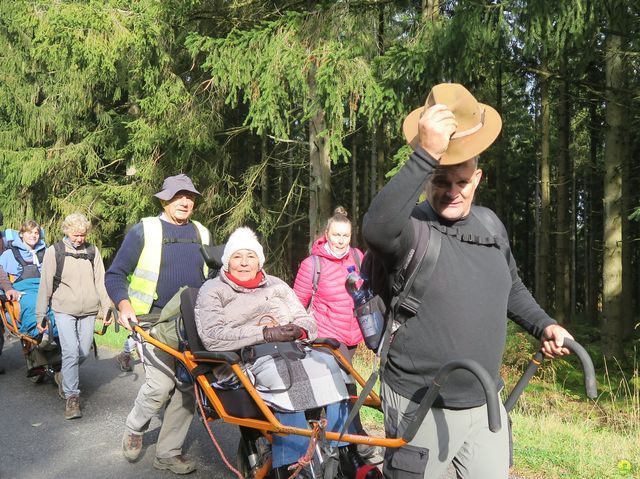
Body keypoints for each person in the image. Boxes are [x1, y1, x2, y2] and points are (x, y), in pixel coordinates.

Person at [362, 83, 574, 479]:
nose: (452, 192)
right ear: (427, 178)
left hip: (485, 404)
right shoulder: (411, 228)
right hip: (418, 404)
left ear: (478, 178)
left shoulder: (491, 225)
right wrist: (425, 153)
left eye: (462, 181)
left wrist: (545, 324)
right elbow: (376, 229)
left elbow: (511, 287)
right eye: (441, 180)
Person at [194, 227, 379, 479]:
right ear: (227, 261)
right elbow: (213, 337)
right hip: (245, 357)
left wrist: (299, 331)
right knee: (286, 377)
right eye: (237, 257)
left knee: (333, 367)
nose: (245, 262)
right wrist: (267, 334)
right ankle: (292, 466)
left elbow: (308, 320)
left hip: (292, 350)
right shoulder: (213, 290)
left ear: (260, 259)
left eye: (251, 256)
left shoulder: (276, 285)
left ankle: (347, 453)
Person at [105, 173, 211, 475]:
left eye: (190, 196)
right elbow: (115, 274)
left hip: (191, 324)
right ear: (164, 199)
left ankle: (167, 453)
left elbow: (212, 277)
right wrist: (123, 305)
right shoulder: (145, 230)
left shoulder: (202, 232)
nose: (185, 201)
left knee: (187, 388)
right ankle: (136, 426)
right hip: (151, 322)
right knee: (160, 385)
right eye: (178, 195)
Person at [35, 213, 112, 420]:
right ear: (67, 231)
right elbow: (45, 286)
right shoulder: (55, 251)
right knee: (70, 351)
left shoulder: (92, 251)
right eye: (76, 235)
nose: (80, 239)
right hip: (64, 309)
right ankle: (72, 398)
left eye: (83, 235)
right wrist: (41, 314)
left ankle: (62, 375)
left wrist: (107, 308)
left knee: (84, 351)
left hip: (88, 310)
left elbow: (100, 282)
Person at [0, 220, 57, 339]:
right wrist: (8, 289)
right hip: (23, 289)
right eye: (29, 232)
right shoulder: (9, 253)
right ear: (21, 234)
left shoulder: (47, 252)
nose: (33, 236)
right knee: (32, 303)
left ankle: (57, 333)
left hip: (44, 286)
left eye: (36, 233)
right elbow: (1, 274)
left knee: (57, 303)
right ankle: (38, 332)